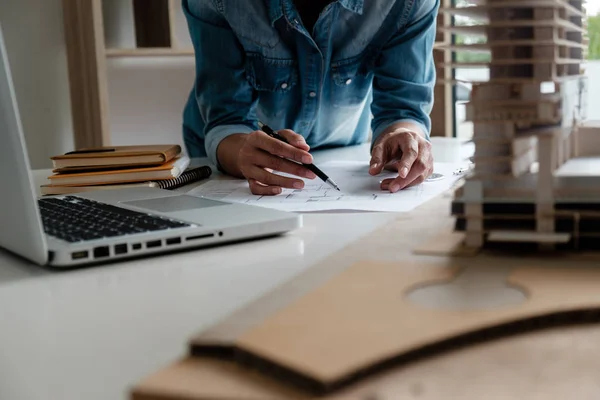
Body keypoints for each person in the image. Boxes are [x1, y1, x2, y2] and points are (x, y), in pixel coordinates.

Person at [182, 0, 438, 195]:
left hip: (344, 154)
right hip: (228, 160)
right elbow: (226, 117)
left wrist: (405, 139)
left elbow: (403, 109)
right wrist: (241, 153)